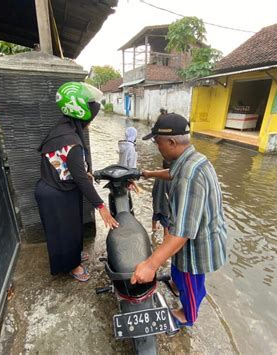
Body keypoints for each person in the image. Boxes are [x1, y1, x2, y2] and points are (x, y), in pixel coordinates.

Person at [131, 113, 227, 327]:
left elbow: (180, 233)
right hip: (205, 230)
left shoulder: (188, 177)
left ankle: (188, 315)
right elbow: (172, 173)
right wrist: (149, 174)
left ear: (172, 142)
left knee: (191, 282)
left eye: (158, 143)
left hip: (196, 244)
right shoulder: (193, 159)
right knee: (180, 275)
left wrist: (150, 265)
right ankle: (178, 286)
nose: (158, 148)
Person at [35, 82, 119, 282]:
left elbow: (66, 166)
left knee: (72, 228)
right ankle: (72, 266)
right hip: (56, 194)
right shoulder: (72, 141)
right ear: (82, 114)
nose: (91, 122)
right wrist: (101, 206)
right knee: (65, 232)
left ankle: (73, 256)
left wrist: (83, 173)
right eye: (91, 117)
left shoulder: (60, 130)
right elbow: (80, 177)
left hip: (58, 187)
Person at [151, 159, 171, 236]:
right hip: (165, 206)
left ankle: (153, 229)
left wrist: (154, 198)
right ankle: (165, 237)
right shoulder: (170, 179)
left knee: (155, 216)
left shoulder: (158, 176)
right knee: (166, 225)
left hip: (157, 202)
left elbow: (154, 189)